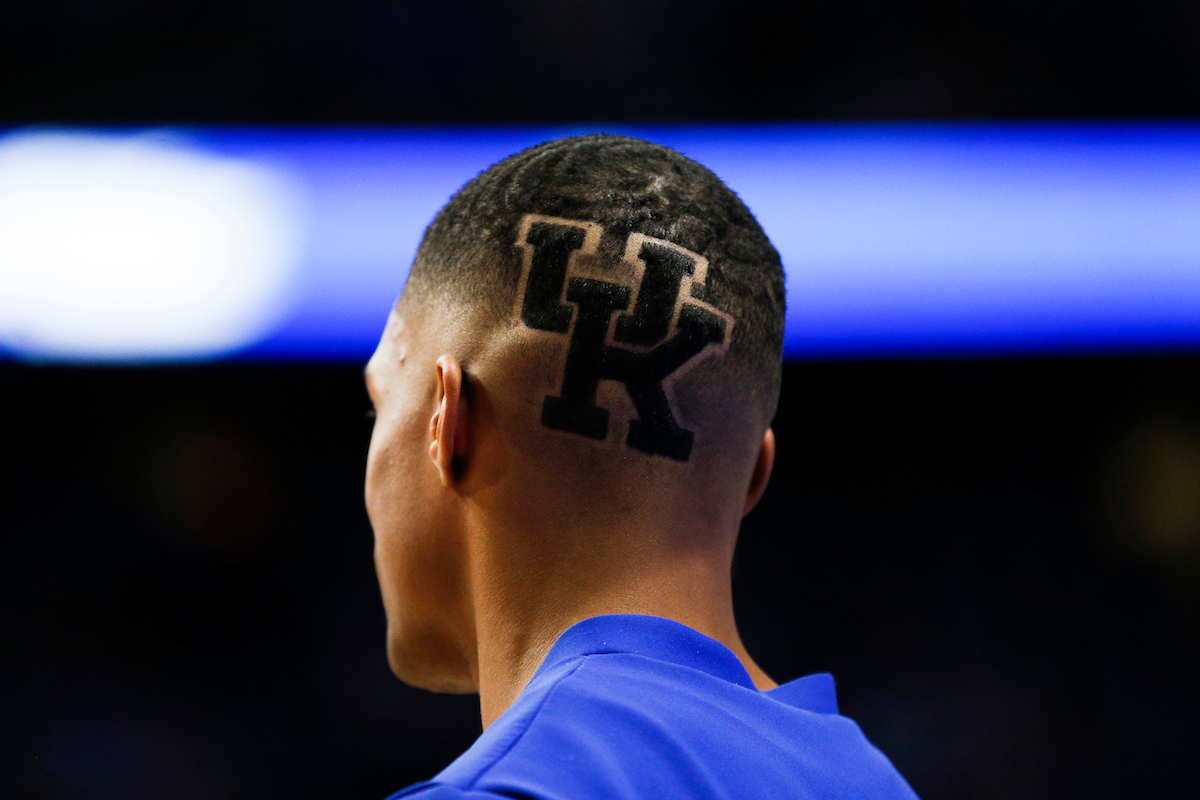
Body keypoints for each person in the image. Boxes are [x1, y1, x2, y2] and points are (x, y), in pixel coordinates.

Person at [363, 134, 918, 799]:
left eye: (377, 406)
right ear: (753, 475)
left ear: (447, 423)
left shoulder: (501, 790)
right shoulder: (877, 784)